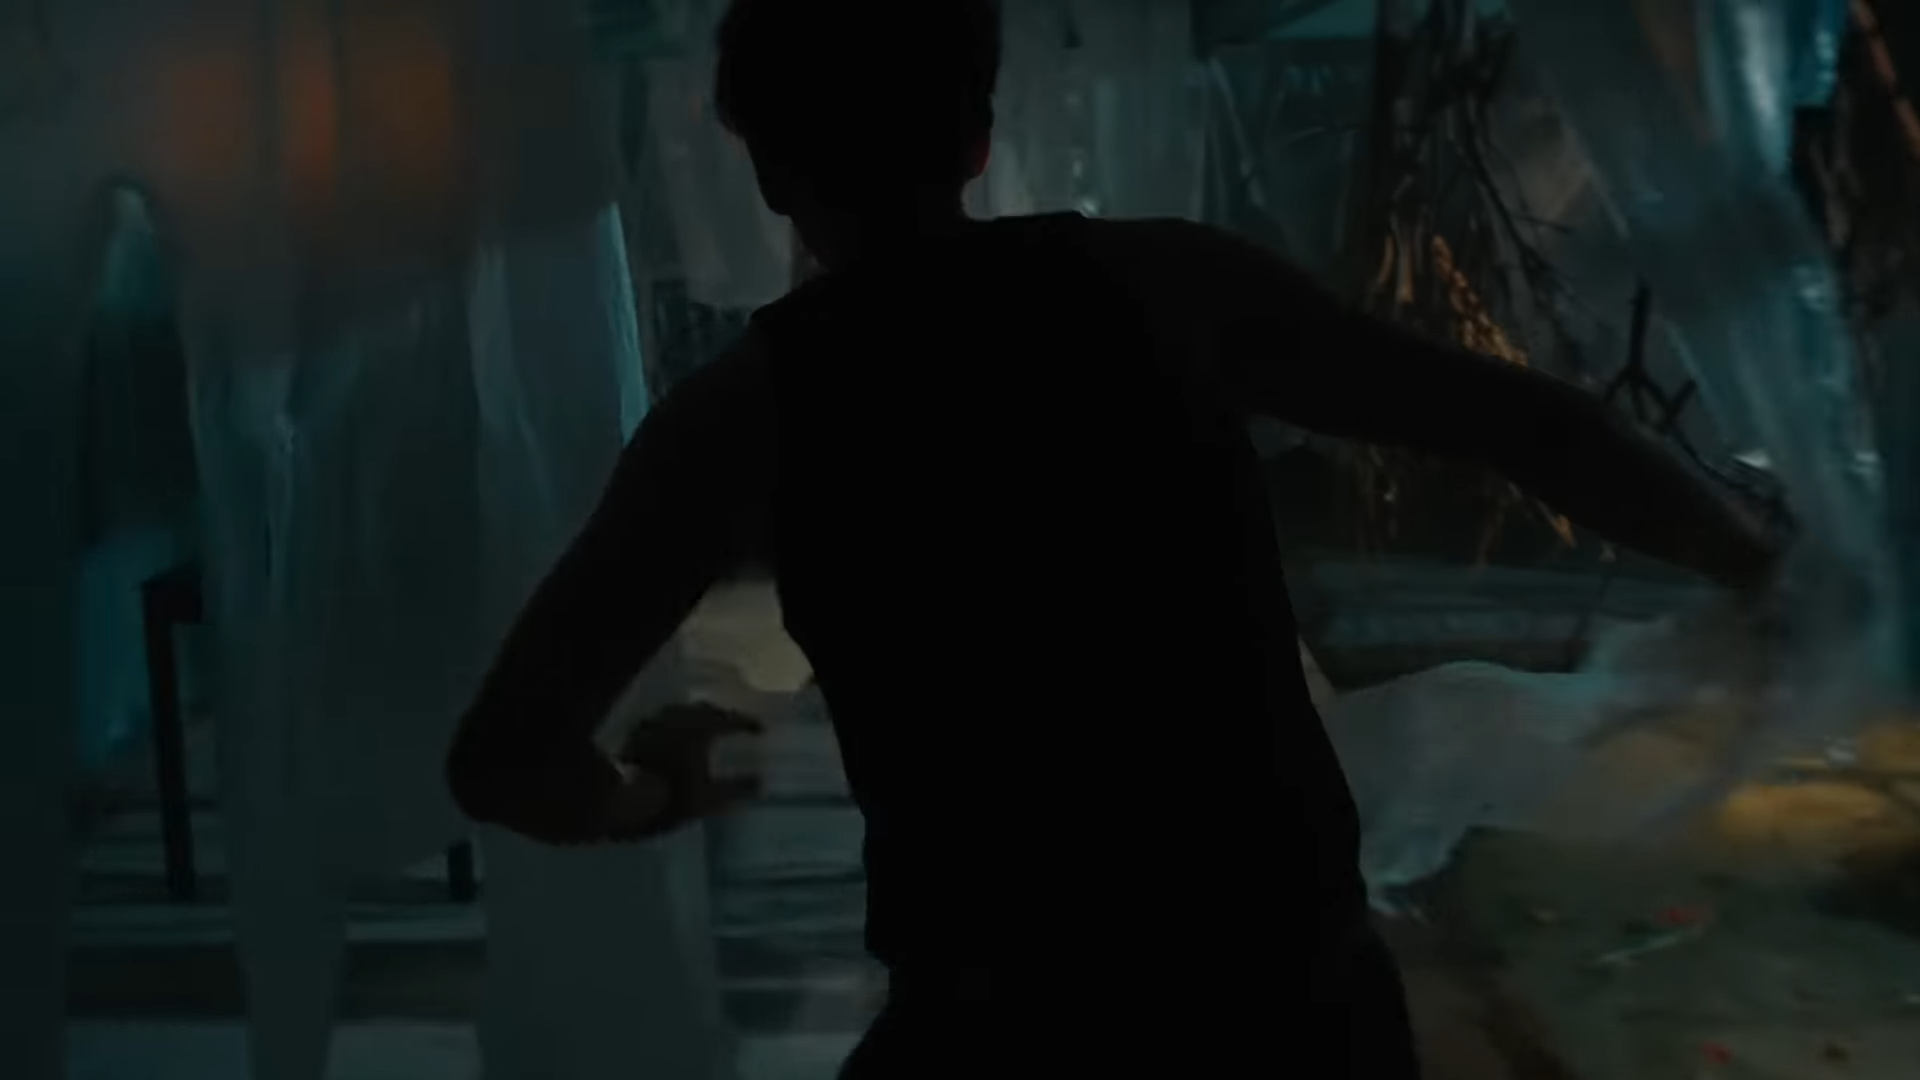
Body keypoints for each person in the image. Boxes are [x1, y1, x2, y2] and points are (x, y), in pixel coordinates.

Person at [445, 1, 1780, 1075]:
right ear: (980, 135)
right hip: (1289, 1006)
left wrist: (655, 794)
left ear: (764, 161)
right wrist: (1772, 569)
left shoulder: (747, 418)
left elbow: (506, 759)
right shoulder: (1170, 289)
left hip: (1006, 1024)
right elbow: (1530, 424)